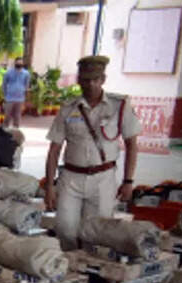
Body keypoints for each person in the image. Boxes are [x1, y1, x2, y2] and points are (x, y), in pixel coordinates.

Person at [43, 55, 141, 250]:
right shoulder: (69, 108)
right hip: (71, 177)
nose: (90, 85)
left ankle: (91, 273)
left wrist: (128, 181)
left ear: (102, 80)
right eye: (85, 80)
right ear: (79, 81)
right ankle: (72, 267)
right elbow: (54, 149)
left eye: (95, 80)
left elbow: (132, 145)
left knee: (97, 232)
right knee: (65, 228)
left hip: (103, 178)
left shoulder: (119, 106)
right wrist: (49, 186)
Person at [2, 57, 31, 128]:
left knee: (17, 116)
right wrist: (5, 95)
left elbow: (27, 86)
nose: (19, 64)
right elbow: (4, 84)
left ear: (23, 64)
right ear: (15, 63)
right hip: (9, 98)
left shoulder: (26, 74)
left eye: (21, 63)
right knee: (7, 115)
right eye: (18, 63)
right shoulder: (8, 72)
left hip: (20, 99)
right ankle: (5, 130)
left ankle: (15, 130)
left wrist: (26, 98)